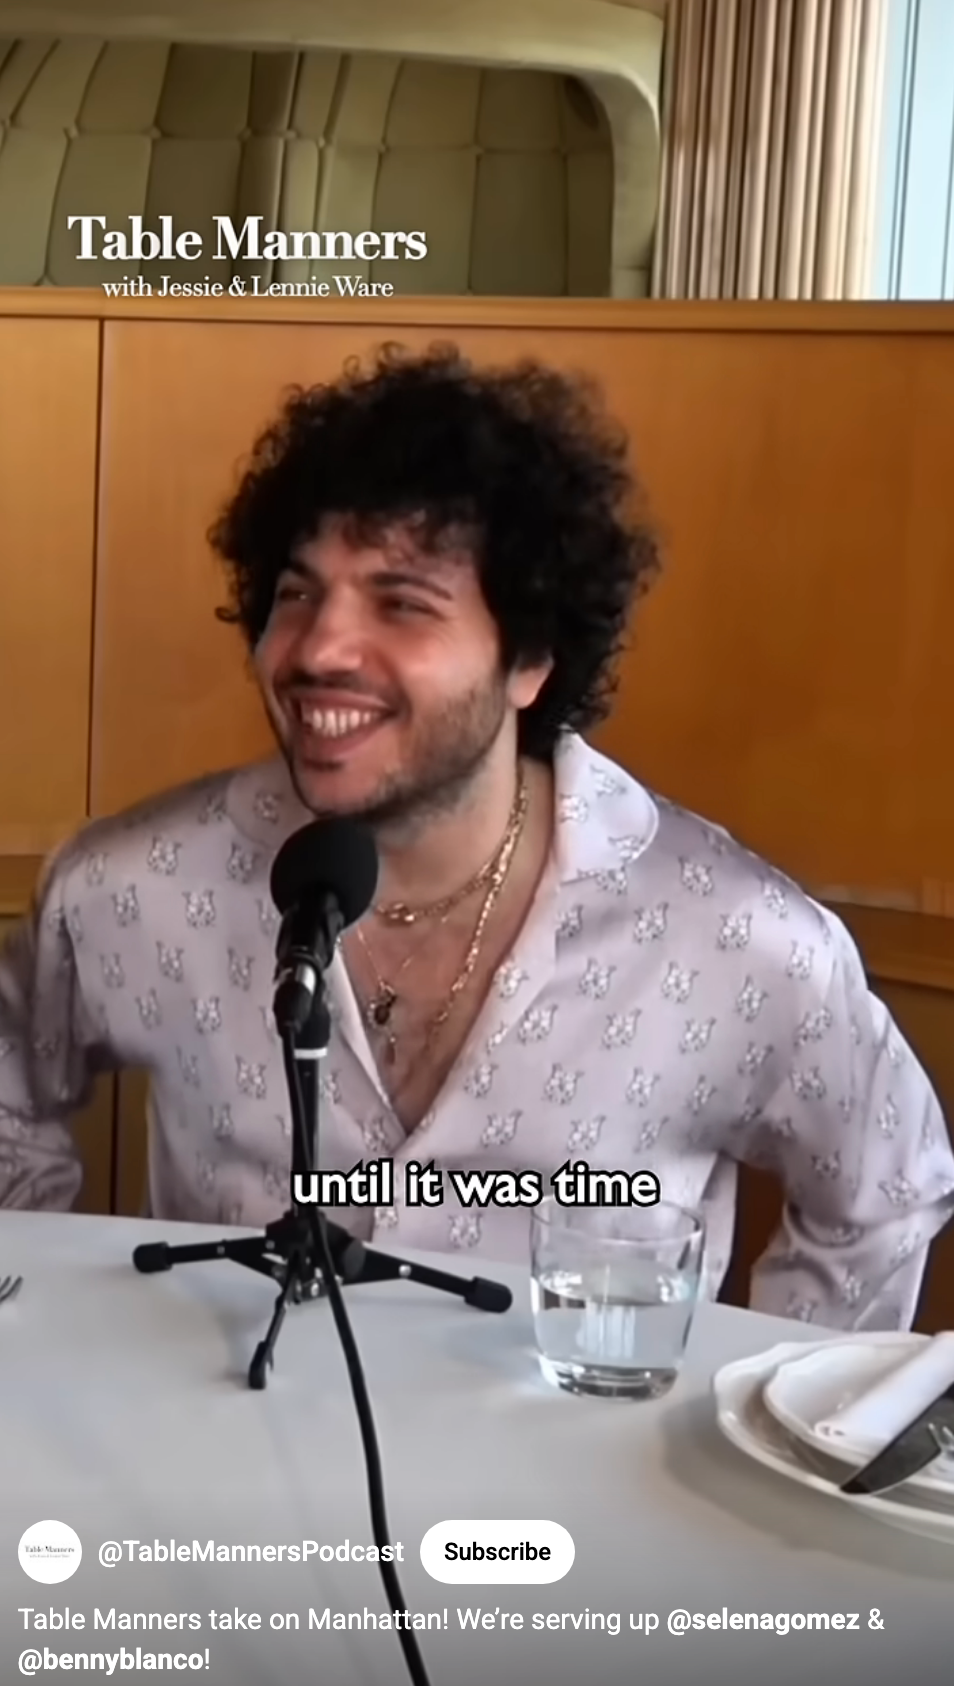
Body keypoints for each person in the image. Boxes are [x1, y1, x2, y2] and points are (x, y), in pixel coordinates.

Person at [1, 344, 952, 1330]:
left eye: (402, 603)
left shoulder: (739, 942)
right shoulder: (131, 888)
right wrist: (56, 1338)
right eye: (296, 593)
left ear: (531, 658)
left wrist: (757, 1424)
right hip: (222, 1457)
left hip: (584, 1480)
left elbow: (885, 1189)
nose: (320, 647)